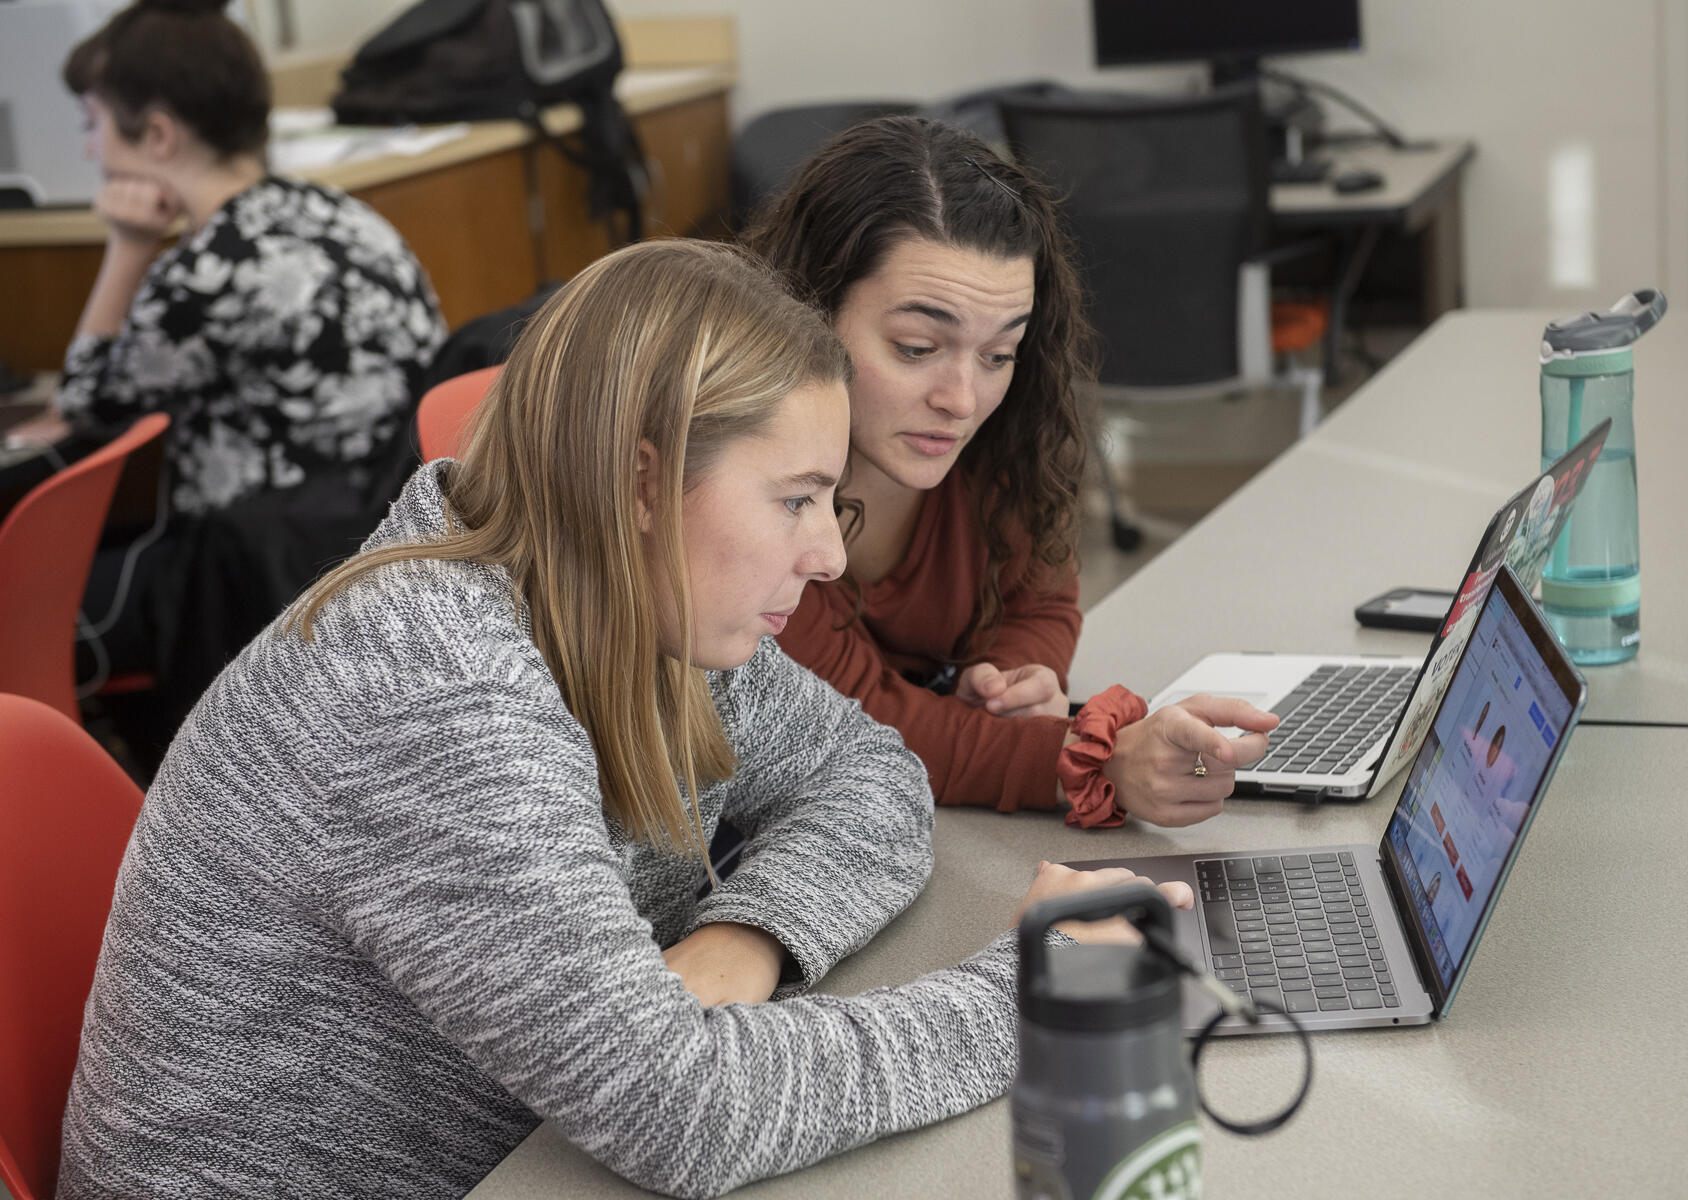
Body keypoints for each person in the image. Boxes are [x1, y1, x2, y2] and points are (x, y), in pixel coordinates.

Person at [56, 239, 1190, 1199]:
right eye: (794, 499)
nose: (830, 551)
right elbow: (682, 1112)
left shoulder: (636, 602)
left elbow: (869, 771)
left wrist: (744, 939)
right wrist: (1038, 989)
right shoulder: (434, 691)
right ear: (643, 483)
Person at [744, 116, 1275, 829]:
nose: (962, 401)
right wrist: (1099, 760)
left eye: (998, 355)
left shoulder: (1009, 434)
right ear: (806, 311)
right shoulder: (746, 493)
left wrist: (1017, 675)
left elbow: (1041, 597)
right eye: (916, 346)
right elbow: (854, 728)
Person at [45, 0, 446, 694]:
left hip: (261, 583)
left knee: (33, 600)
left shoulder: (212, 269)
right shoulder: (342, 214)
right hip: (379, 559)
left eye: (93, 123)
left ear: (159, 134)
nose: (89, 150)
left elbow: (84, 400)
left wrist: (129, 245)